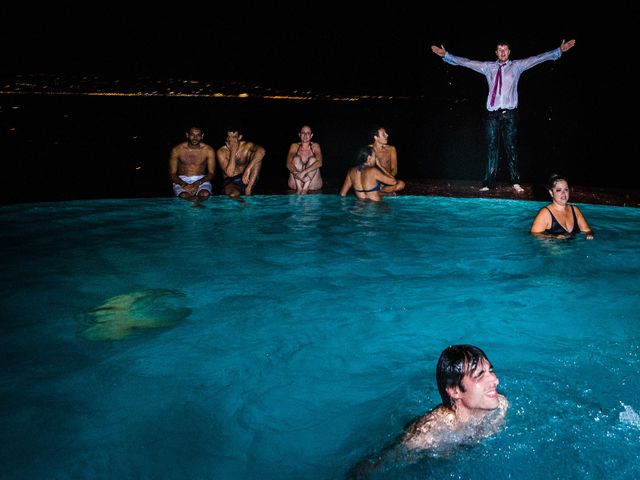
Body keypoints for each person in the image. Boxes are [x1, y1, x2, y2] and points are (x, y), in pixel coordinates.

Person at [431, 39, 576, 194]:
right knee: (492, 148)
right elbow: (467, 62)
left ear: (509, 52)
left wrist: (558, 51)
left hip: (510, 114)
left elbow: (538, 58)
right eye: (500, 50)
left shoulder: (517, 66)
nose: (502, 52)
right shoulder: (488, 67)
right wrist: (446, 55)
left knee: (511, 148)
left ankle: (515, 181)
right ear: (495, 52)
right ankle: (488, 182)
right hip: (492, 114)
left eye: (505, 50)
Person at [349, 345, 508, 477]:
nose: (495, 380)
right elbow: (372, 466)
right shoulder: (428, 434)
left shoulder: (500, 406)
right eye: (480, 375)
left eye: (491, 370)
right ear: (454, 391)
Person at [530, 174, 594, 239]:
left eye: (566, 189)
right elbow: (534, 235)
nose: (563, 193)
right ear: (551, 193)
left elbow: (587, 230)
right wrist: (554, 237)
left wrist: (589, 235)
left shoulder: (575, 210)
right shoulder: (545, 213)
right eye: (559, 190)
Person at [168, 126, 216, 202]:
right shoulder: (177, 150)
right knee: (184, 196)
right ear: (187, 135)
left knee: (205, 194)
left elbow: (211, 173)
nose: (195, 137)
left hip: (201, 179)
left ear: (202, 136)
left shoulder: (208, 150)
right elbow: (172, 173)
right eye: (192, 134)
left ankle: (201, 213)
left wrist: (198, 183)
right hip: (182, 179)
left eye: (198, 135)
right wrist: (184, 184)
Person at [216, 128, 266, 198]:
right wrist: (233, 151)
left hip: (248, 179)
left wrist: (248, 169)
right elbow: (230, 174)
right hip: (231, 181)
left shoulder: (247, 146)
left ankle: (248, 189)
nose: (231, 140)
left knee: (257, 159)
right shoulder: (221, 151)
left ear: (240, 137)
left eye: (234, 137)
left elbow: (262, 151)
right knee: (233, 194)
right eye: (229, 137)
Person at [286, 125, 323, 194]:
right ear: (299, 135)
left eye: (308, 133)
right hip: (296, 183)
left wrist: (303, 173)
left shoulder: (315, 146)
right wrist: (298, 175)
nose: (305, 135)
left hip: (312, 184)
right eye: (303, 132)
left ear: (311, 135)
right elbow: (288, 164)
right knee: (296, 159)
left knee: (313, 160)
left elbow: (320, 162)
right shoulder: (294, 146)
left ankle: (305, 188)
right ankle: (299, 188)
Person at [368, 126, 405, 195]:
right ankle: (384, 192)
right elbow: (364, 169)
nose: (387, 135)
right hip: (372, 181)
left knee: (401, 184)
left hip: (387, 180)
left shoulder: (391, 149)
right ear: (376, 137)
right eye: (383, 134)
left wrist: (386, 180)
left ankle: (380, 192)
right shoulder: (368, 149)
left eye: (386, 133)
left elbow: (394, 169)